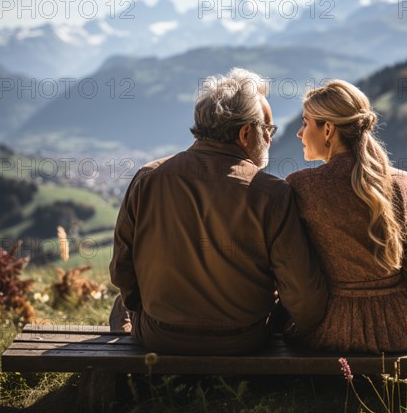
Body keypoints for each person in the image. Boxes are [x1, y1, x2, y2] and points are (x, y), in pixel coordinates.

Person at [109, 68, 328, 355]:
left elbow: (121, 271)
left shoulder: (148, 178)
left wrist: (148, 310)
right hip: (244, 340)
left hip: (160, 336)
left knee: (119, 308)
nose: (270, 139)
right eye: (268, 130)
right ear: (246, 132)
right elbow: (303, 296)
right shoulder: (272, 193)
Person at [285, 79, 407, 353]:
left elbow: (293, 266)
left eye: (305, 123)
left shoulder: (302, 186)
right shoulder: (404, 182)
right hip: (401, 327)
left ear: (328, 129)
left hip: (333, 327)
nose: (299, 134)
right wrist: (393, 303)